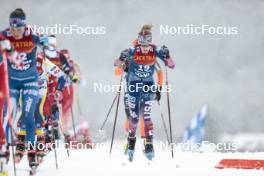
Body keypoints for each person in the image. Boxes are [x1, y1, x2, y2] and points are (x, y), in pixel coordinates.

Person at [114, 25, 175, 161]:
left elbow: (170, 65)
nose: (145, 48)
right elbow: (116, 68)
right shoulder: (131, 52)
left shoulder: (154, 50)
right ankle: (130, 142)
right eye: (142, 45)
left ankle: (148, 145)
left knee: (146, 116)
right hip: (132, 88)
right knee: (133, 118)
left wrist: (167, 56)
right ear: (137, 43)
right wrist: (122, 61)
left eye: (148, 44)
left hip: (147, 87)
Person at [1, 8, 48, 169]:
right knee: (8, 115)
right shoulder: (4, 36)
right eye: (12, 27)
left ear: (24, 25)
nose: (15, 31)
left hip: (30, 82)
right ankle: (4, 150)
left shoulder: (32, 36)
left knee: (29, 116)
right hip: (12, 82)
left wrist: (45, 43)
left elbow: (46, 46)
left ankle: (32, 153)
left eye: (19, 27)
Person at [35, 52, 66, 163]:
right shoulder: (20, 58)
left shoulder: (46, 61)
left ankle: (47, 138)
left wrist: (59, 90)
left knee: (46, 112)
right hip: (29, 90)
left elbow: (62, 76)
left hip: (48, 88)